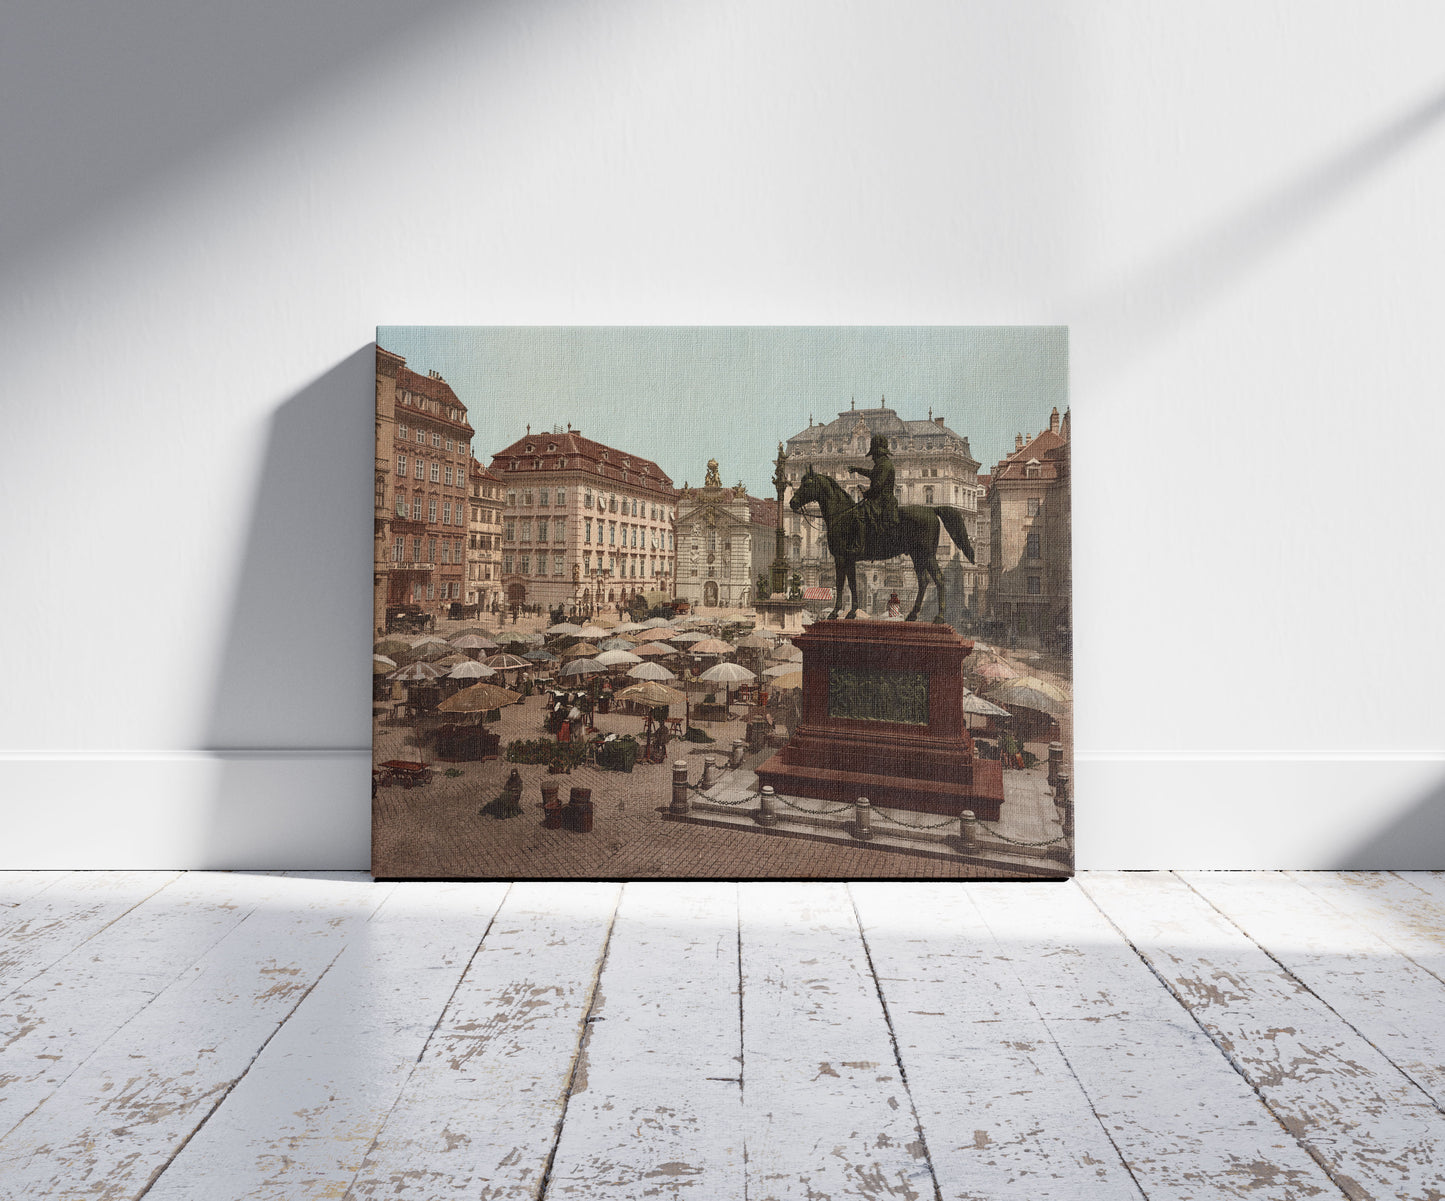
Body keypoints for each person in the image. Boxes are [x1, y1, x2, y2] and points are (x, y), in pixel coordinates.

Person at [846, 434, 898, 556]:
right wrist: (857, 469)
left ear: (878, 453)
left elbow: (878, 485)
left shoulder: (884, 465)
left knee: (859, 514)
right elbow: (872, 474)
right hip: (881, 499)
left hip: (883, 501)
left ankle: (859, 547)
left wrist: (866, 493)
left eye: (874, 455)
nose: (872, 458)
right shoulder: (882, 464)